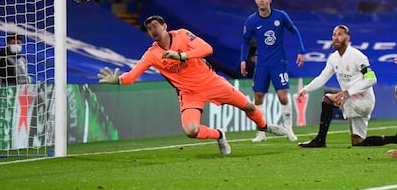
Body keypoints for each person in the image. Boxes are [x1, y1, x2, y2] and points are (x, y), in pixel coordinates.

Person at [97, 15, 288, 155]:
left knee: (248, 106)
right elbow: (132, 76)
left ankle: (264, 126)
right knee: (191, 131)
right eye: (149, 29)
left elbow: (207, 48)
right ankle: (219, 135)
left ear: (164, 26)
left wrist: (181, 55)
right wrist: (119, 80)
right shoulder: (151, 54)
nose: (153, 30)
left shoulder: (182, 35)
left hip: (212, 82)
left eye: (156, 26)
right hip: (189, 93)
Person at [240, 0, 305, 142]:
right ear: (255, 1)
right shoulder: (251, 21)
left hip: (279, 62)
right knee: (258, 96)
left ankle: (289, 129)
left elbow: (294, 30)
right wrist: (243, 60)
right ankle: (261, 132)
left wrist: (301, 50)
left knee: (282, 96)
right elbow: (245, 41)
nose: (261, 0)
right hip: (261, 63)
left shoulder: (280, 16)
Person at [297, 25, 377, 148]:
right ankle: (394, 139)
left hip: (363, 101)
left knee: (327, 99)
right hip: (350, 100)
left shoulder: (358, 56)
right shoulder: (333, 58)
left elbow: (372, 79)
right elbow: (322, 78)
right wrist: (305, 89)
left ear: (347, 38)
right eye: (334, 35)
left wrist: (348, 92)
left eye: (339, 34)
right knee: (358, 142)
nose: (335, 38)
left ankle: (319, 140)